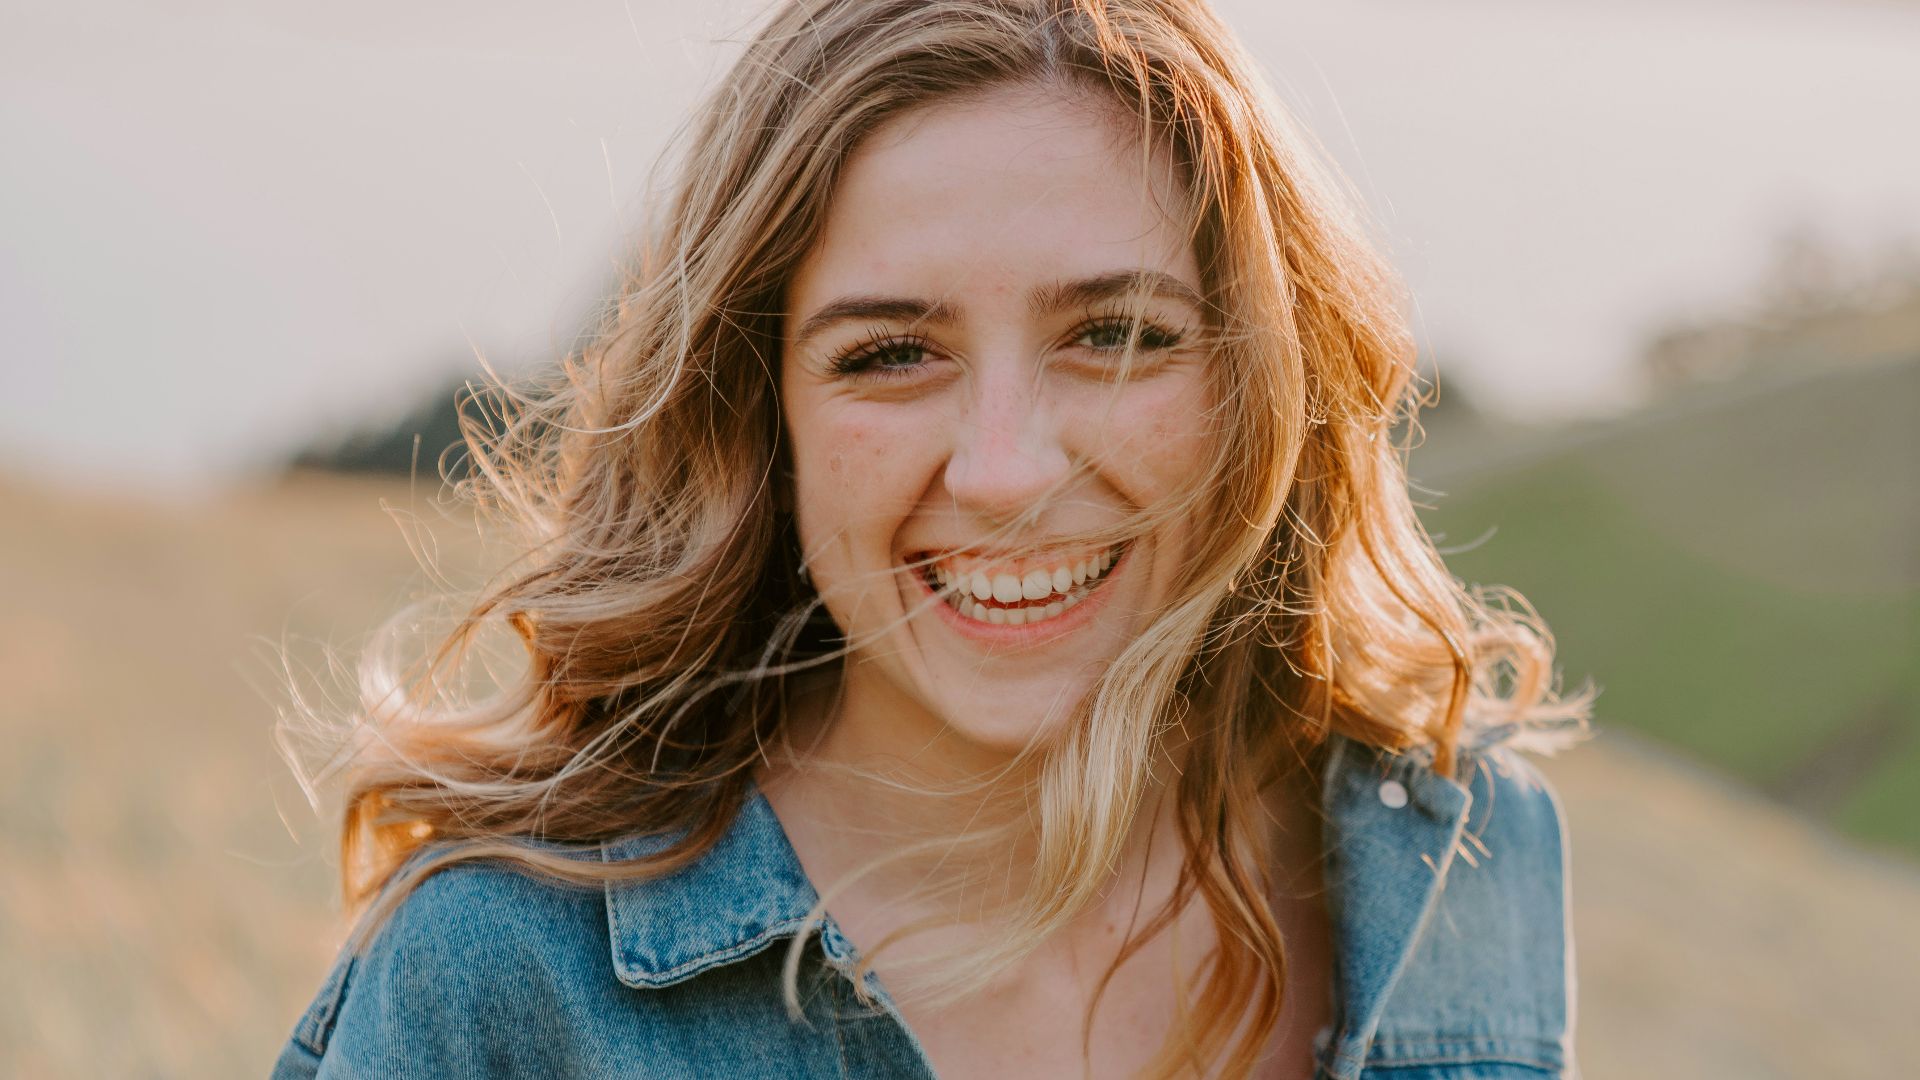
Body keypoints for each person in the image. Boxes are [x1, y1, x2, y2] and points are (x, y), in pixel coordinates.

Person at [271, 0, 1595, 1077]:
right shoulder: (504, 979)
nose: (1007, 472)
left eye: (1115, 335)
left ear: (1256, 377)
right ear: (761, 411)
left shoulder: (1452, 857)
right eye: (892, 354)